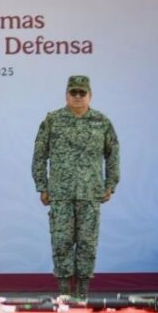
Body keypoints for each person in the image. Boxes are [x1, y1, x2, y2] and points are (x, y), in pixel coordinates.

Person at [32, 75, 119, 299]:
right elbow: (40, 155)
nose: (78, 97)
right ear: (67, 95)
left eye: (83, 93)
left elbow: (113, 155)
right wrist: (42, 185)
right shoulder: (53, 120)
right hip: (60, 194)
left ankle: (82, 295)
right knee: (61, 242)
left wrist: (111, 184)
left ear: (90, 95)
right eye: (74, 93)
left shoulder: (101, 121)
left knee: (87, 244)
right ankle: (64, 294)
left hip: (90, 194)